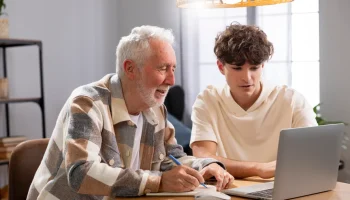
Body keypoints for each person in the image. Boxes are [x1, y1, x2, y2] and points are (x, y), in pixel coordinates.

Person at [27, 25, 234, 200]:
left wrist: (207, 166)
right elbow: (81, 173)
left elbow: (172, 158)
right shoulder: (88, 102)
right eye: (163, 68)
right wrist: (158, 182)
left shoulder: (155, 108)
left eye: (173, 69)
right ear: (130, 69)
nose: (171, 80)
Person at [190, 23, 317, 179]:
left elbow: (312, 155)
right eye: (237, 68)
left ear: (262, 65)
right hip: (230, 189)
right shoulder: (208, 100)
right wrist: (259, 169)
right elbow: (204, 157)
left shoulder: (292, 100)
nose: (247, 77)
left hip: (281, 188)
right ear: (221, 67)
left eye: (254, 68)